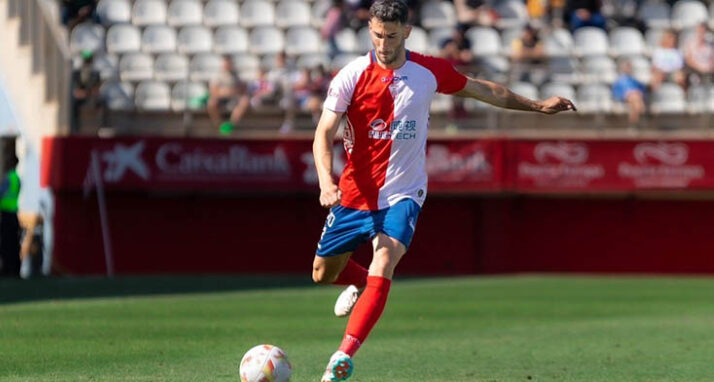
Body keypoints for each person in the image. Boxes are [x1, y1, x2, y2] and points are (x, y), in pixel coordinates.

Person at [310, 1, 576, 381]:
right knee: (322, 274)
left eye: (391, 35)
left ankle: (342, 356)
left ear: (407, 32)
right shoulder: (351, 75)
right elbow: (323, 132)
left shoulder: (428, 71)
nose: (383, 43)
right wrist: (326, 181)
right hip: (354, 195)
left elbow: (484, 90)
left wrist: (537, 106)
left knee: (384, 261)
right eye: (377, 35)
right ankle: (361, 282)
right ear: (370, 30)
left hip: (404, 193)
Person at [0, 154, 21, 278]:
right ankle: (15, 270)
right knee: (14, 243)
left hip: (6, 215)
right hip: (14, 215)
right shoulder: (17, 178)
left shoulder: (8, 178)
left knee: (6, 243)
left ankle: (7, 269)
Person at [206, 57, 250, 135]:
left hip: (234, 98)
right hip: (221, 98)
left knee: (245, 100)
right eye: (226, 64)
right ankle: (219, 125)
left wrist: (233, 91)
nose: (228, 66)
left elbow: (242, 89)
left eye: (229, 64)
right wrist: (223, 92)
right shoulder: (217, 76)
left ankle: (231, 124)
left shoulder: (236, 75)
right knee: (211, 103)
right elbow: (213, 91)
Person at [612, 60, 647, 127]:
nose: (628, 69)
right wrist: (626, 94)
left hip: (634, 98)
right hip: (624, 97)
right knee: (634, 97)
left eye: (629, 67)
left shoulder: (633, 79)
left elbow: (642, 88)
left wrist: (639, 92)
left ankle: (633, 123)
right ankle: (640, 111)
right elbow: (615, 92)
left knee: (633, 101)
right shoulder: (619, 80)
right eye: (626, 67)